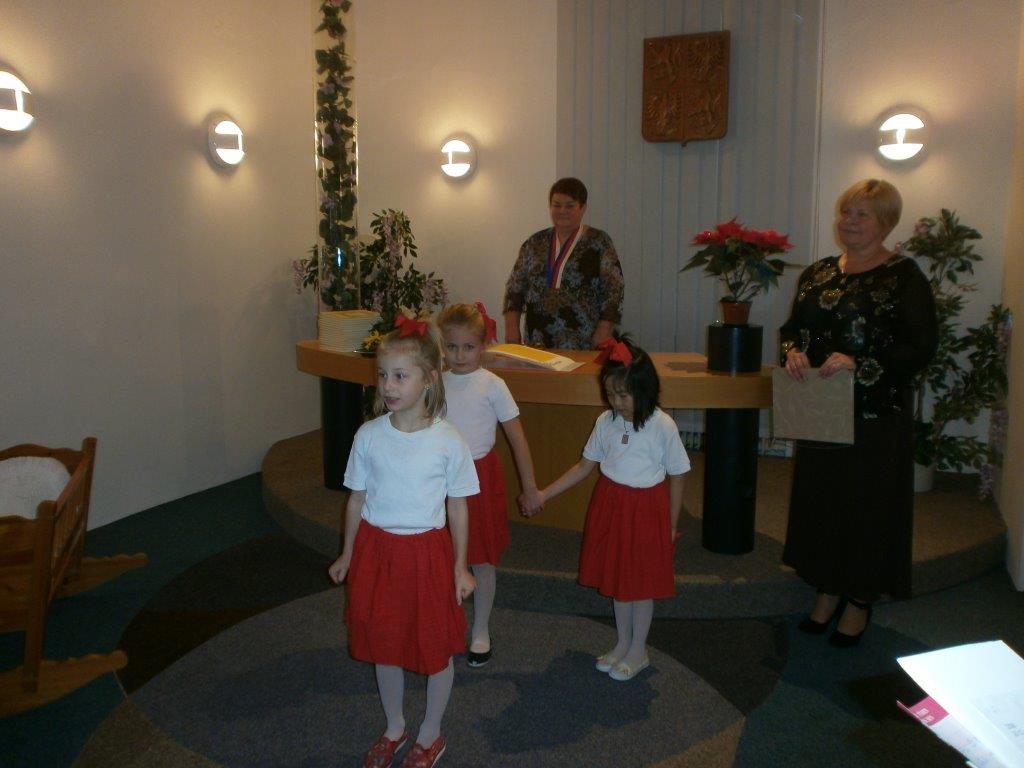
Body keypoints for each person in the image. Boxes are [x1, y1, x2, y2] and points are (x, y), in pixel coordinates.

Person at [780, 179, 937, 647]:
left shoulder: (904, 276)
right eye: (846, 211)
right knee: (823, 500)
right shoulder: (819, 273)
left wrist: (861, 362)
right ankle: (827, 587)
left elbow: (921, 347)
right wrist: (793, 352)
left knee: (866, 504)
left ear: (885, 222)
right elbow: (794, 329)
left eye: (862, 214)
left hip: (875, 414)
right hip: (820, 407)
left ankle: (860, 598)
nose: (849, 221)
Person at [328, 317, 479, 768]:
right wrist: (348, 553)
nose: (388, 386)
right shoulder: (369, 435)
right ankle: (394, 726)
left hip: (426, 554)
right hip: (378, 552)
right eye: (383, 375)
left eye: (400, 375)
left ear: (429, 378)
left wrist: (460, 566)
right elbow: (356, 500)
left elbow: (458, 507)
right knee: (385, 642)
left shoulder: (448, 440)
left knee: (435, 648)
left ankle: (431, 733)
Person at [526, 336, 689, 680]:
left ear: (645, 390)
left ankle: (639, 650)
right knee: (618, 579)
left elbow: (678, 475)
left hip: (645, 510)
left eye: (623, 395)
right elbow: (583, 467)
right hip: (611, 504)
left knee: (639, 584)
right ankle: (623, 643)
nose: (616, 402)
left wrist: (671, 525)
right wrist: (544, 493)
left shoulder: (663, 426)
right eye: (611, 394)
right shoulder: (606, 422)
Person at [438, 302, 544, 669]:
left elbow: (517, 439)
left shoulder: (493, 385)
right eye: (452, 347)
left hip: (479, 479)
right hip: (440, 479)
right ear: (442, 346)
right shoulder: (436, 382)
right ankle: (446, 622)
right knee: (441, 554)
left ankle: (480, 628)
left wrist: (530, 487)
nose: (459, 355)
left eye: (468, 347)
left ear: (483, 346)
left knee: (481, 558)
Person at [503, 177, 624, 349]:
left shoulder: (599, 242)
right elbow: (514, 288)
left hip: (584, 340)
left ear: (583, 208)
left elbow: (614, 289)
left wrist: (605, 330)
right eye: (557, 205)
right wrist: (511, 327)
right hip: (537, 340)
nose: (562, 211)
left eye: (569, 206)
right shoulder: (534, 243)